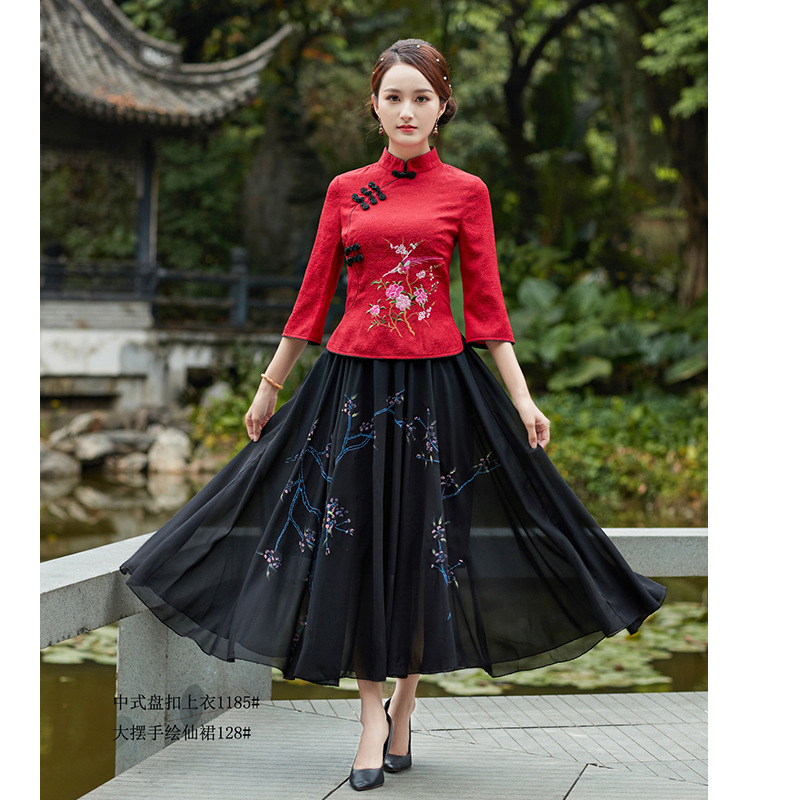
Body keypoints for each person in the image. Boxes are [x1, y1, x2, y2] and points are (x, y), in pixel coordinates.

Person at [120, 38, 666, 793]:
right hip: (352, 390)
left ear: (443, 107)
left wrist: (522, 397)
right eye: (393, 97)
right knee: (352, 548)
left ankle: (403, 707)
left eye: (421, 97)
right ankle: (372, 718)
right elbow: (313, 297)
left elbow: (488, 308)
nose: (407, 111)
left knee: (423, 549)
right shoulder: (347, 190)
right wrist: (271, 384)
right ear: (374, 107)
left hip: (439, 394)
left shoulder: (467, 192)